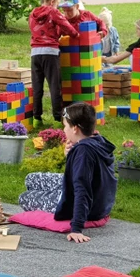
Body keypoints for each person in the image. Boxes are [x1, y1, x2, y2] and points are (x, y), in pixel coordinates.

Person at [19, 102, 116, 243]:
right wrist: (70, 156)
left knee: (24, 198)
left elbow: (82, 189)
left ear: (75, 129)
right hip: (100, 199)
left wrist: (76, 228)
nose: (64, 130)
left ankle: (69, 209)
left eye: (65, 126)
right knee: (31, 179)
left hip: (91, 208)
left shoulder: (83, 151)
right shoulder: (96, 140)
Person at [28, 0, 78, 126]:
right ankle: (57, 118)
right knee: (55, 86)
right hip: (50, 52)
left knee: (37, 87)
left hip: (35, 53)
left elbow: (35, 30)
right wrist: (76, 34)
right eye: (57, 4)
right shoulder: (52, 11)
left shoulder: (32, 13)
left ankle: (37, 118)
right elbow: (65, 24)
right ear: (53, 1)